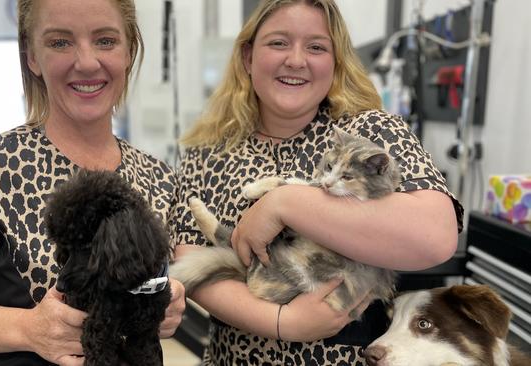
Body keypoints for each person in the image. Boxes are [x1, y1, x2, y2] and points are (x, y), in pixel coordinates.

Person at [171, 0, 463, 365]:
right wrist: (282, 322)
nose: (296, 59)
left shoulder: (371, 131)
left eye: (316, 47)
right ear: (248, 57)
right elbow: (191, 258)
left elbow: (436, 237)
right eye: (278, 43)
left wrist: (283, 204)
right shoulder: (208, 151)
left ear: (336, 61)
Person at [0, 1, 185, 365]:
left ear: (129, 51)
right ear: (31, 56)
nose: (86, 62)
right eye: (60, 42)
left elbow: (164, 279)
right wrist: (28, 329)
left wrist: (170, 296)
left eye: (105, 40)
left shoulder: (159, 177)